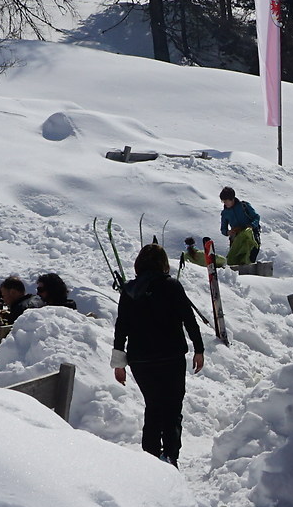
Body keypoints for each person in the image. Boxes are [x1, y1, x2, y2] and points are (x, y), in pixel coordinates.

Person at [112, 242, 205, 464]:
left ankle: (150, 461)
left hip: (140, 360)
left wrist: (119, 363)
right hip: (170, 357)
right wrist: (199, 349)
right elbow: (189, 320)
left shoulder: (129, 291)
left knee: (153, 406)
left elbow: (121, 327)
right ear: (163, 264)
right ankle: (170, 457)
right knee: (172, 408)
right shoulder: (171, 286)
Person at [218, 187, 261, 266]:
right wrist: (228, 232)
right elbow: (223, 229)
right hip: (236, 238)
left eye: (226, 201)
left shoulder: (244, 206)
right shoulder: (225, 213)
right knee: (236, 258)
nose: (225, 203)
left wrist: (252, 226)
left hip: (251, 235)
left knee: (251, 254)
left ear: (232, 199)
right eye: (223, 201)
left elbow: (256, 217)